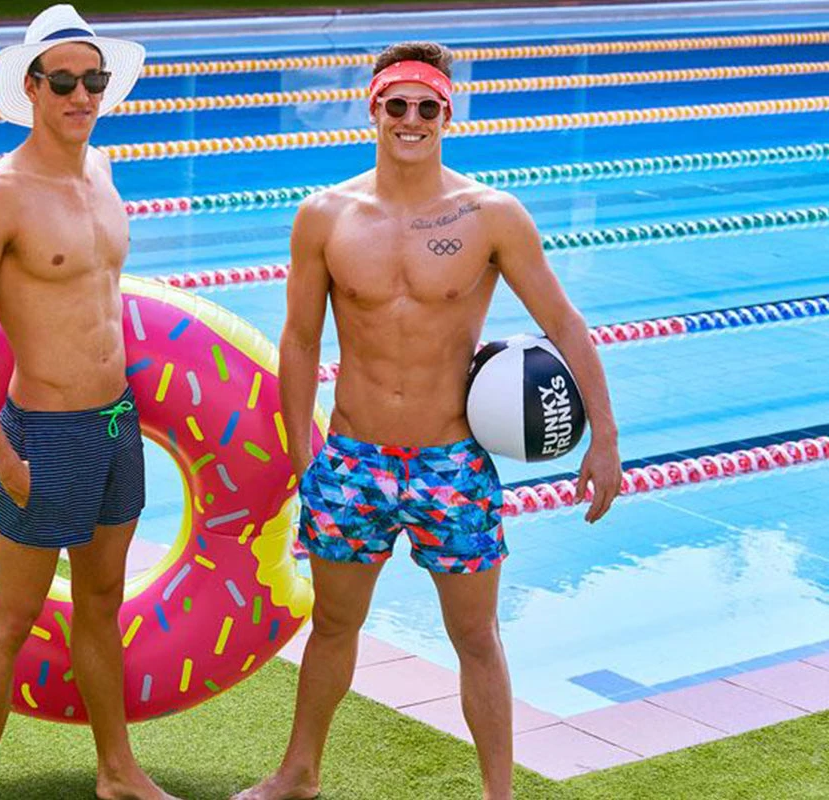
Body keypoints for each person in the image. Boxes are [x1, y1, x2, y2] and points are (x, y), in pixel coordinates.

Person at [237, 42, 622, 800]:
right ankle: (299, 772)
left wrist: (604, 437)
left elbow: (565, 325)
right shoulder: (324, 216)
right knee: (335, 626)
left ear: (448, 115)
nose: (410, 119)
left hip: (452, 463)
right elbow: (300, 340)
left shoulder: (490, 216)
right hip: (353, 460)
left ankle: (499, 795)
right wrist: (302, 455)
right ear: (373, 110)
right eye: (397, 105)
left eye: (427, 107)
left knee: (476, 637)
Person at [0, 6, 176, 800]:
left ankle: (117, 771)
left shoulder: (102, 170)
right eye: (63, 81)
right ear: (31, 87)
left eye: (92, 80)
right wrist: (6, 460)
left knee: (101, 602)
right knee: (9, 620)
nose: (81, 95)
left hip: (116, 423)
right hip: (45, 435)